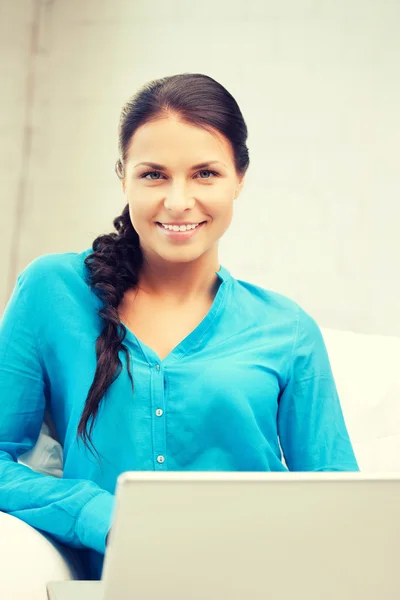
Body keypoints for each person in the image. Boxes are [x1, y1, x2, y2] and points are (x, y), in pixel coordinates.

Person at [0, 72, 359, 581]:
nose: (178, 200)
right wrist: (97, 514)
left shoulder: (289, 330)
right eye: (153, 175)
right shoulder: (51, 291)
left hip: (261, 582)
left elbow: (339, 496)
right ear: (123, 176)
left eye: (205, 173)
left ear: (240, 178)